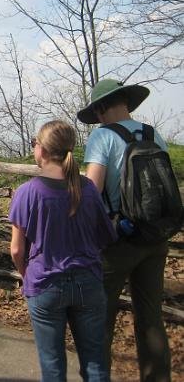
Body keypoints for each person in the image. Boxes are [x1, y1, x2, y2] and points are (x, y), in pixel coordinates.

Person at [79, 79, 172, 381]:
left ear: (102, 107)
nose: (98, 117)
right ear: (127, 102)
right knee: (151, 319)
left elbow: (92, 191)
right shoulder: (153, 133)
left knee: (98, 318)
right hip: (155, 238)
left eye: (97, 111)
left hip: (116, 242)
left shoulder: (102, 137)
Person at [9, 120, 116, 382]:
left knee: (53, 364)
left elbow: (16, 250)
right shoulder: (88, 188)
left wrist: (26, 274)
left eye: (35, 144)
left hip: (45, 284)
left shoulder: (27, 192)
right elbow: (105, 236)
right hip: (88, 283)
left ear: (42, 151)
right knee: (95, 363)